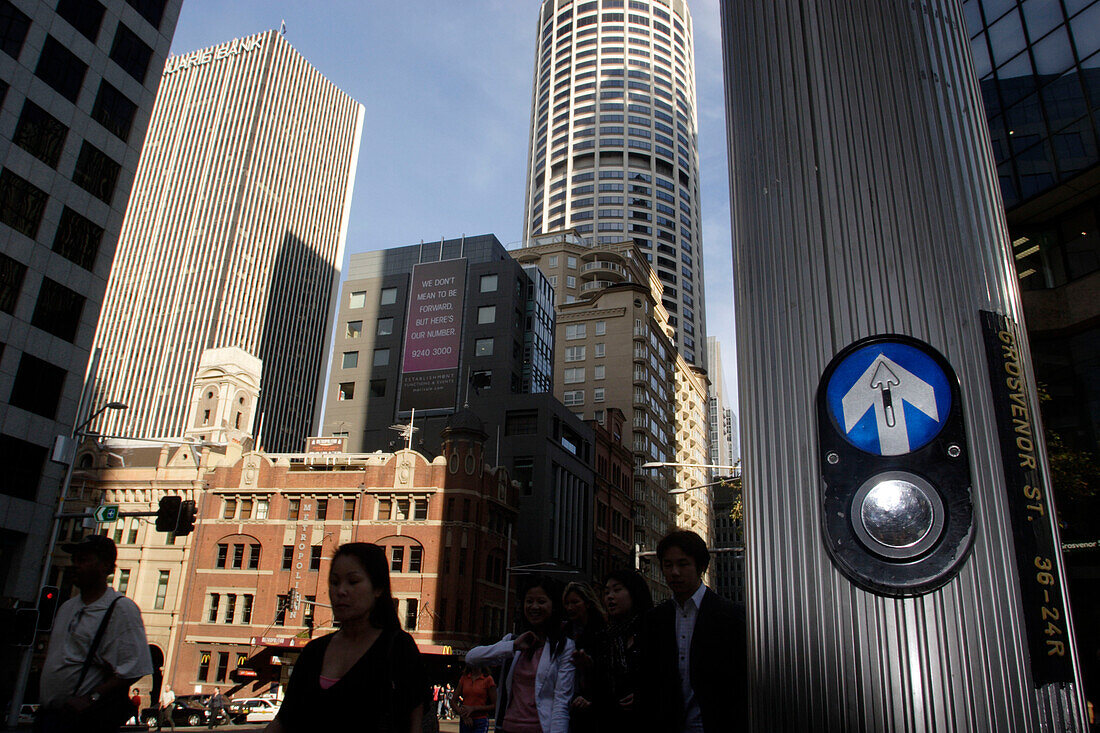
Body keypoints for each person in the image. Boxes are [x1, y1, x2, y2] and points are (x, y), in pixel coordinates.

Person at [264, 543, 426, 732]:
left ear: (378, 588)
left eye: (353, 581)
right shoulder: (313, 651)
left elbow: (415, 722)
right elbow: (284, 720)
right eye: (334, 582)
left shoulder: (399, 647)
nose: (341, 591)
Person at [36, 535, 153, 733]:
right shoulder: (67, 607)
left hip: (85, 720)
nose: (74, 566)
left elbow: (134, 667)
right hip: (50, 716)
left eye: (83, 560)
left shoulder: (120, 609)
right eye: (74, 560)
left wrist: (90, 698)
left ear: (105, 567)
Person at [638, 530, 747, 733]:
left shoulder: (730, 616)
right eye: (668, 565)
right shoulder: (655, 620)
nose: (675, 572)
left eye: (683, 564)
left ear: (701, 567)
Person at [466, 576, 575, 733]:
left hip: (541, 728)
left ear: (554, 606)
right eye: (529, 601)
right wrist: (513, 646)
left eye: (541, 602)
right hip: (508, 727)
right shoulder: (512, 641)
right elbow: (472, 658)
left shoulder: (564, 647)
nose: (534, 607)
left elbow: (561, 703)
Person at [588, 568, 653, 729]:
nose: (610, 596)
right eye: (606, 592)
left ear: (634, 593)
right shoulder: (604, 637)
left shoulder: (652, 632)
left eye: (617, 590)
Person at [561, 582, 606, 733]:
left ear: (587, 603)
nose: (570, 607)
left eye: (575, 602)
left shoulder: (602, 631)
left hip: (591, 704)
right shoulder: (564, 632)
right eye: (567, 603)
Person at [455, 664, 497, 733]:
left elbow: (495, 705)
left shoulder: (488, 679)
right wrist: (463, 715)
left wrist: (474, 708)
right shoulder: (464, 678)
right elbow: (453, 701)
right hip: (466, 720)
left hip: (480, 720)